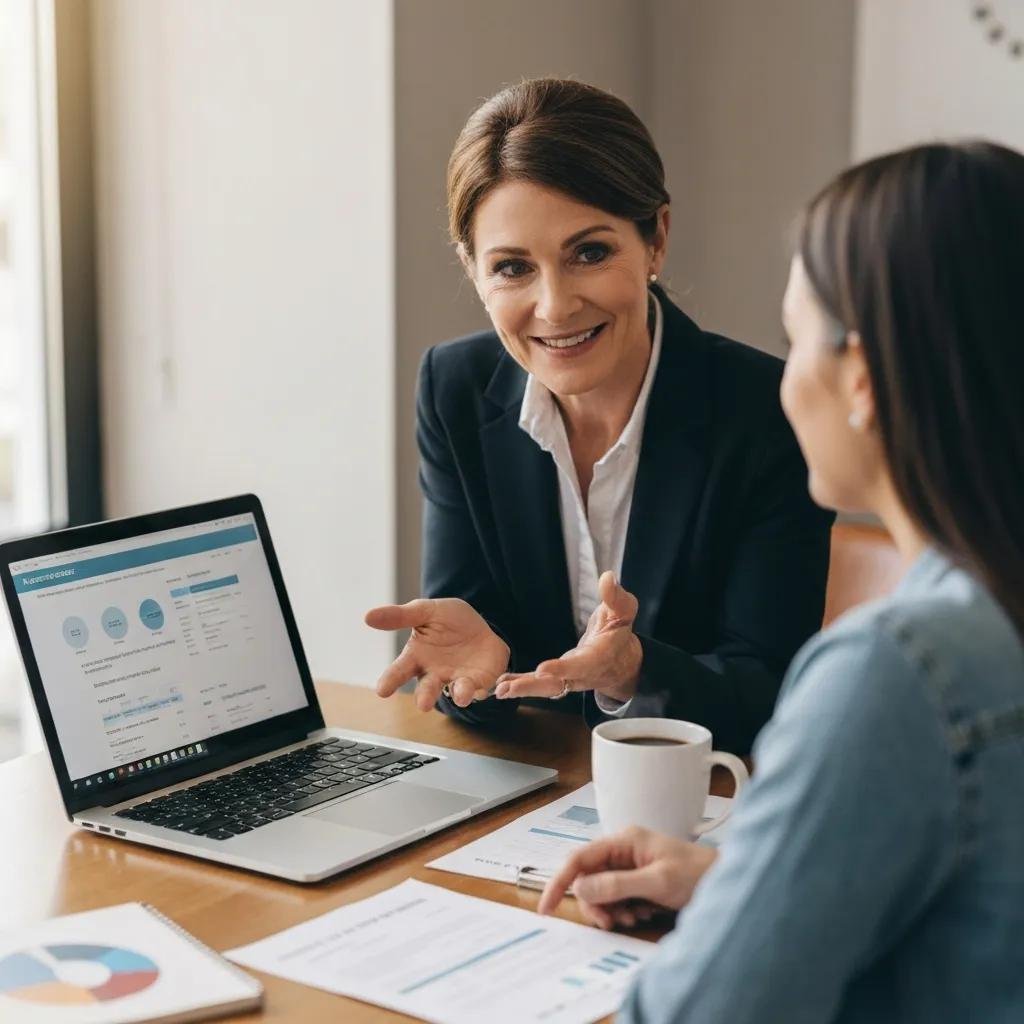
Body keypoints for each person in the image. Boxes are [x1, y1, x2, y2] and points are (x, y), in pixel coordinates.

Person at [537, 141, 1024, 1022]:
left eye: (796, 338)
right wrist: (744, 883)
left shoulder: (902, 668)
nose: (785, 375)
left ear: (863, 380)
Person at [365, 78, 833, 754]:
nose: (554, 306)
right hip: (534, 804)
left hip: (704, 810)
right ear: (473, 271)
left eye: (589, 252)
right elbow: (466, 658)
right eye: (512, 267)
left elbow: (772, 695)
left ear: (656, 240)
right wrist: (480, 680)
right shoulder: (455, 389)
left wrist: (635, 671)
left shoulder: (765, 411)